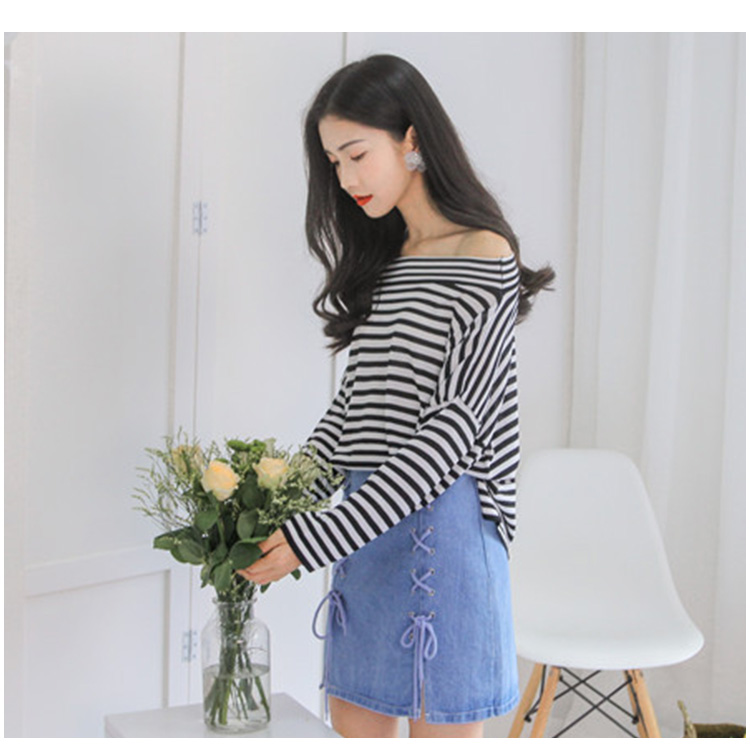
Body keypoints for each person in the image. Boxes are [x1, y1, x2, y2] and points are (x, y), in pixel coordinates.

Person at [238, 53, 555, 738]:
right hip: (367, 530)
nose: (346, 179)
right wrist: (274, 501)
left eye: (357, 155)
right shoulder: (390, 260)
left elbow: (452, 433)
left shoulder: (484, 254)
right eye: (334, 163)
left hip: (445, 532)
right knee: (352, 729)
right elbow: (353, 410)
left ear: (411, 138)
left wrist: (316, 536)